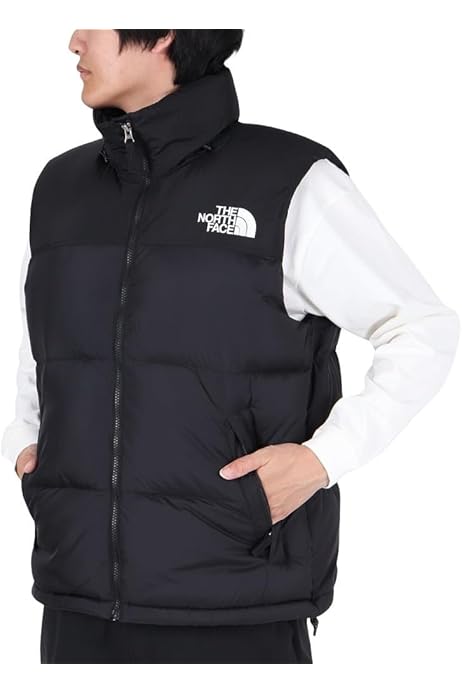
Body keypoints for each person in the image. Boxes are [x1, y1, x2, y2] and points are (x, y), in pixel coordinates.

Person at [1, 29, 459, 664]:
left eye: (95, 18)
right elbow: (46, 340)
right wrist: (28, 441)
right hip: (76, 600)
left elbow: (422, 327)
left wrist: (323, 459)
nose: (74, 40)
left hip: (239, 599)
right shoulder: (62, 186)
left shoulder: (287, 180)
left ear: (163, 31)